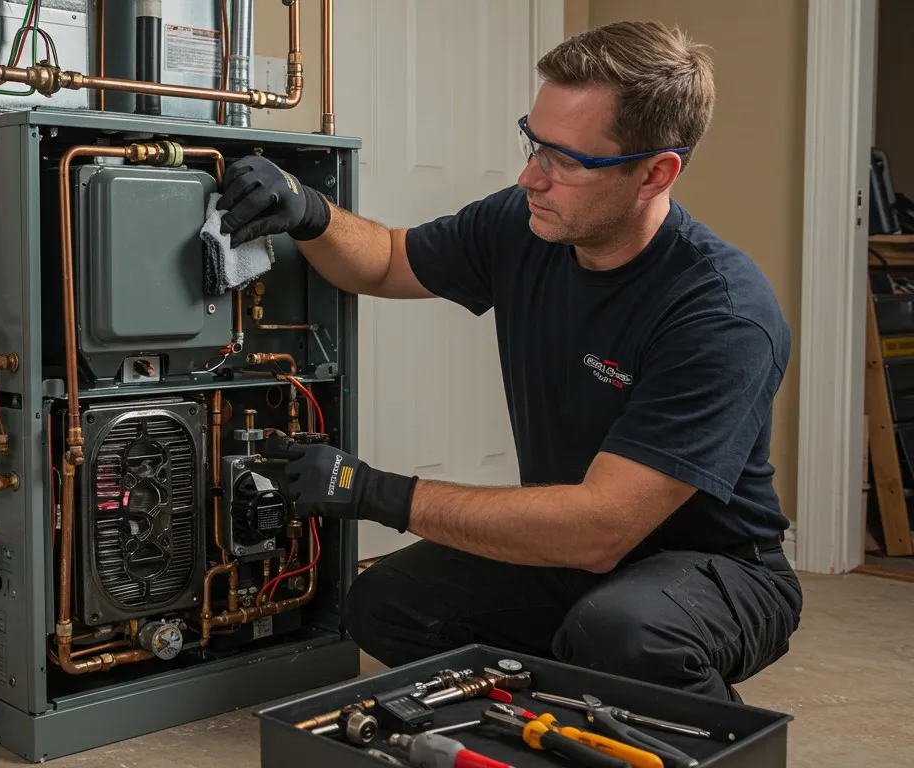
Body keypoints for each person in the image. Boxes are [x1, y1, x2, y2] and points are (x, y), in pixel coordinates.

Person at [219, 20, 802, 702]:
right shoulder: (525, 224)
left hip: (717, 569)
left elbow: (601, 528)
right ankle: (562, 719)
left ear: (655, 172)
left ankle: (691, 732)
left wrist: (370, 490)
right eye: (533, 140)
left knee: (622, 635)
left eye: (566, 160)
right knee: (388, 604)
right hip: (577, 557)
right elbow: (385, 259)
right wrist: (307, 209)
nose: (531, 175)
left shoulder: (720, 312)